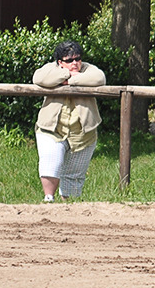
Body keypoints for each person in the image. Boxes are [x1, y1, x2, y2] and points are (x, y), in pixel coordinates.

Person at [33, 41, 106, 202]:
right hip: (51, 129)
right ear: (59, 62)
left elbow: (99, 78)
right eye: (69, 60)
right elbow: (38, 77)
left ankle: (69, 206)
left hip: (83, 132)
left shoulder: (88, 68)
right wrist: (67, 75)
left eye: (77, 59)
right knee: (51, 163)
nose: (75, 63)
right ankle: (49, 198)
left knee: (75, 174)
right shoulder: (50, 68)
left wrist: (70, 81)